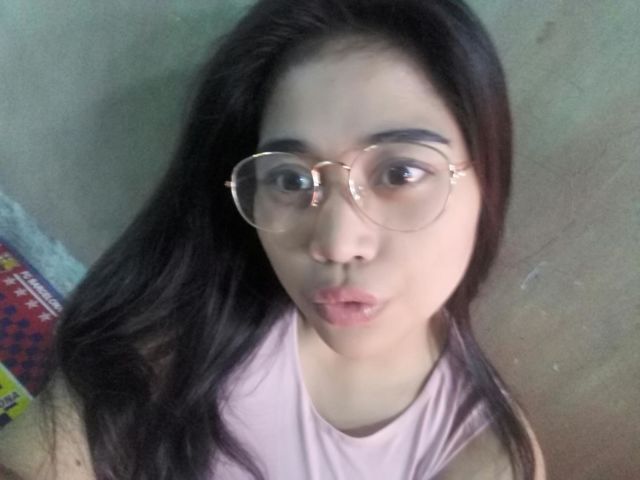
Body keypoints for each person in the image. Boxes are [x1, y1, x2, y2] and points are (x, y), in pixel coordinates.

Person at [0, 0, 547, 478]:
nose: (336, 243)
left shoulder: (484, 455)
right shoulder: (189, 313)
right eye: (289, 180)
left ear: (487, 182)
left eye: (400, 173)